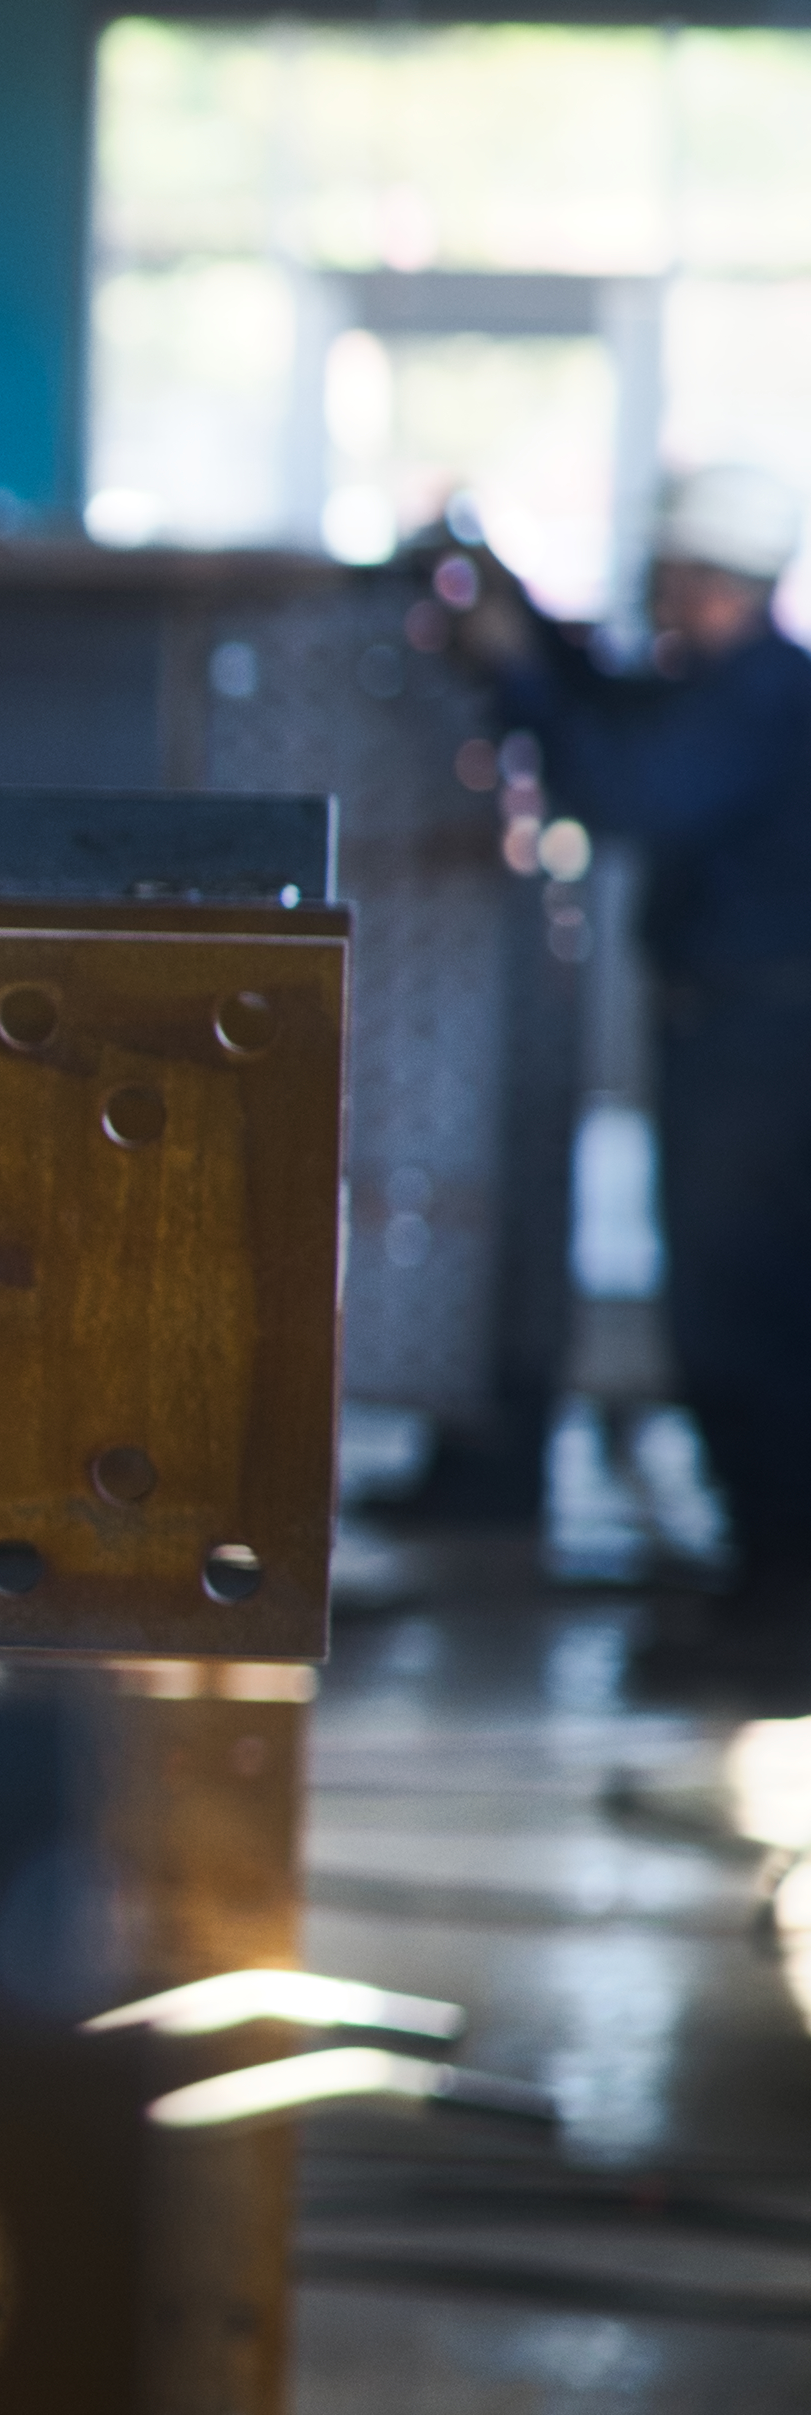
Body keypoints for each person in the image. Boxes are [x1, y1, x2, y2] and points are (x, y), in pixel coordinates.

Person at [464, 460, 811, 1682]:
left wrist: (513, 666)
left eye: (670, 577)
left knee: (742, 1327)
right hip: (736, 1033)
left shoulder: (764, 695)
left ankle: (781, 1612)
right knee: (735, 1320)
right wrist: (531, 631)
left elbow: (625, 785)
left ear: (711, 577)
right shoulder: (738, 683)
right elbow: (621, 712)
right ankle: (763, 1589)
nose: (655, 600)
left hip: (762, 1048)